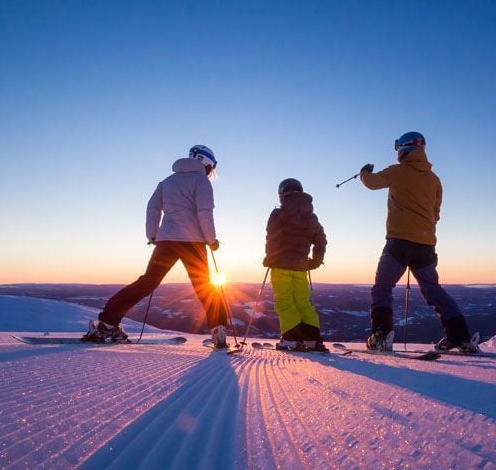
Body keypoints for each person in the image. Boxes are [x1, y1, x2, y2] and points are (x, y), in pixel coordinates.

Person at [83, 145, 230, 347]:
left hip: (166, 239)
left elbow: (153, 208)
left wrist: (152, 235)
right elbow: (204, 212)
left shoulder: (167, 182)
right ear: (207, 163)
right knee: (204, 286)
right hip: (193, 242)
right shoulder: (201, 181)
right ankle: (219, 331)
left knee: (147, 282)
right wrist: (211, 240)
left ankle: (107, 323)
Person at [358, 131, 478, 352]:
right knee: (433, 290)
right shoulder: (434, 180)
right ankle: (460, 337)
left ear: (403, 149)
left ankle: (381, 336)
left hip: (399, 243)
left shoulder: (396, 172)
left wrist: (364, 172)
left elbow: (372, 183)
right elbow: (436, 213)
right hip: (425, 245)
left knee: (382, 287)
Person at [263, 178, 328, 352]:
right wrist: (315, 261)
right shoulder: (310, 216)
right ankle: (312, 339)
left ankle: (291, 339)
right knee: (303, 301)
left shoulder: (278, 214)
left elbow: (273, 237)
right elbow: (321, 240)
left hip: (280, 265)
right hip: (301, 267)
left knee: (285, 301)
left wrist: (270, 257)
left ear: (282, 194)